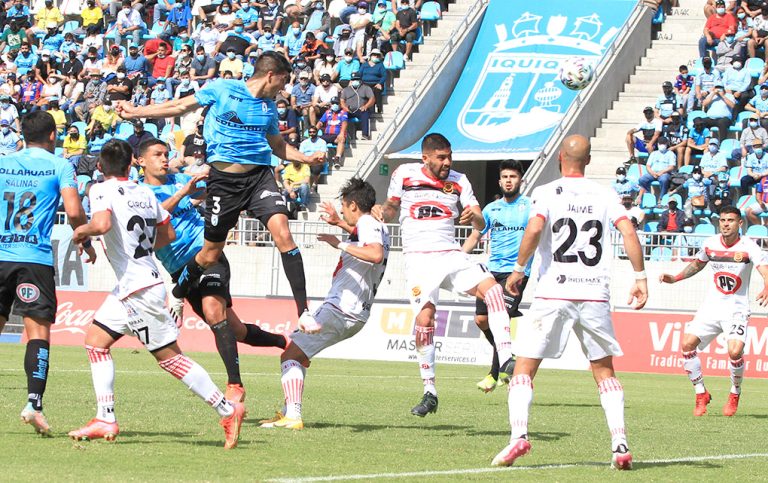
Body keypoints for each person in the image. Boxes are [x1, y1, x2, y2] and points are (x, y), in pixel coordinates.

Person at [117, 51, 326, 328]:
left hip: (259, 178)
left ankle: (303, 312)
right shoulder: (223, 88)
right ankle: (179, 291)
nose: (284, 88)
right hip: (224, 183)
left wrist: (306, 158)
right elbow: (181, 107)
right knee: (210, 252)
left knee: (283, 233)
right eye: (284, 80)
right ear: (271, 75)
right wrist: (138, 111)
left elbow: (277, 146)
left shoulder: (269, 107)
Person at [67, 139, 245, 448]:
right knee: (95, 342)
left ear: (100, 167)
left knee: (170, 359)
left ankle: (227, 409)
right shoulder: (145, 192)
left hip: (138, 289)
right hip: (132, 284)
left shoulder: (100, 189)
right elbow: (168, 235)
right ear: (130, 164)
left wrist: (81, 232)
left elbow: (101, 223)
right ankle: (105, 417)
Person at [492, 134, 647, 469]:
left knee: (525, 368)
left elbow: (534, 230)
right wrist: (640, 279)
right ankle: (619, 444)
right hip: (594, 293)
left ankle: (519, 437)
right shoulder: (605, 194)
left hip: (553, 292)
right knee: (604, 370)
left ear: (560, 157)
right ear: (588, 160)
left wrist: (519, 269)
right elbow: (629, 233)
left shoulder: (546, 192)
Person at [138, 138, 287, 403]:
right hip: (179, 269)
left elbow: (214, 187)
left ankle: (235, 386)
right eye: (157, 155)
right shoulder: (140, 194)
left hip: (208, 254)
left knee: (212, 310)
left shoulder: (181, 179)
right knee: (237, 331)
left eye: (166, 154)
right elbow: (153, 218)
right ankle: (282, 342)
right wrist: (184, 192)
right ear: (140, 162)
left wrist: (213, 175)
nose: (164, 159)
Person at [380, 133, 517, 417]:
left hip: (450, 253)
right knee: (425, 320)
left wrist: (474, 218)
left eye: (449, 156)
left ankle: (506, 359)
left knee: (492, 291)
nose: (447, 162)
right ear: (425, 157)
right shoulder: (404, 174)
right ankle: (430, 392)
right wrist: (384, 212)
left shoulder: (459, 180)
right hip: (418, 259)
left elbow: (480, 219)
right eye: (441, 158)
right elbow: (392, 206)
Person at [261, 178, 389, 429]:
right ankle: (289, 411)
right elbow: (362, 239)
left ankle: (293, 416)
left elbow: (375, 254)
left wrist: (337, 242)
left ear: (354, 205)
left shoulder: (367, 222)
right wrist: (339, 223)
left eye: (344, 207)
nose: (342, 211)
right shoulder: (375, 226)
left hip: (343, 309)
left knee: (291, 355)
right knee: (300, 354)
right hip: (353, 311)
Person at [0, 111, 95, 436]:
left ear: (23, 135)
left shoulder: (4, 163)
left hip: (0, 255)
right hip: (33, 260)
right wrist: (84, 238)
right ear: (53, 136)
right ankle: (33, 403)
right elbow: (72, 210)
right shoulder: (59, 166)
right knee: (38, 332)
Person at [660, 206, 768, 417]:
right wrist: (675, 278)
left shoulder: (749, 247)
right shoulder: (710, 244)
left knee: (735, 351)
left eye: (731, 220)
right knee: (687, 345)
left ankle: (734, 393)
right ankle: (701, 394)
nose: (726, 224)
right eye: (723, 220)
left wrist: (767, 285)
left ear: (740, 224)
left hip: (736, 309)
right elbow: (697, 265)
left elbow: (764, 268)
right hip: (711, 306)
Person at [461, 160, 531, 392]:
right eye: (505, 177)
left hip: (516, 274)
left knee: (497, 318)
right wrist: (458, 257)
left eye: (513, 176)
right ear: (499, 181)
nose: (509, 180)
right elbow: (476, 235)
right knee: (481, 320)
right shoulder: (491, 209)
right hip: (491, 272)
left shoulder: (530, 207)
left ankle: (495, 374)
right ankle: (507, 357)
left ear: (521, 180)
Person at [635, 136, 676, 203]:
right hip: (653, 173)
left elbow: (672, 166)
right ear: (658, 144)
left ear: (666, 144)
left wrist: (662, 172)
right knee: (642, 179)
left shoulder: (671, 154)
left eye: (663, 144)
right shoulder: (654, 153)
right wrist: (652, 173)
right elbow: (648, 166)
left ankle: (661, 198)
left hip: (664, 173)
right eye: (660, 144)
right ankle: (648, 195)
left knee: (664, 179)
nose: (662, 145)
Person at [340, 71, 375, 140]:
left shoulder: (366, 88)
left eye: (357, 80)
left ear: (360, 80)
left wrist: (366, 106)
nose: (355, 81)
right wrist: (345, 108)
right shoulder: (346, 90)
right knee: (342, 115)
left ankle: (365, 135)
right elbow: (342, 101)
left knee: (365, 114)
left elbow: (372, 98)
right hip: (349, 109)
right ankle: (342, 134)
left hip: (360, 109)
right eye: (353, 80)